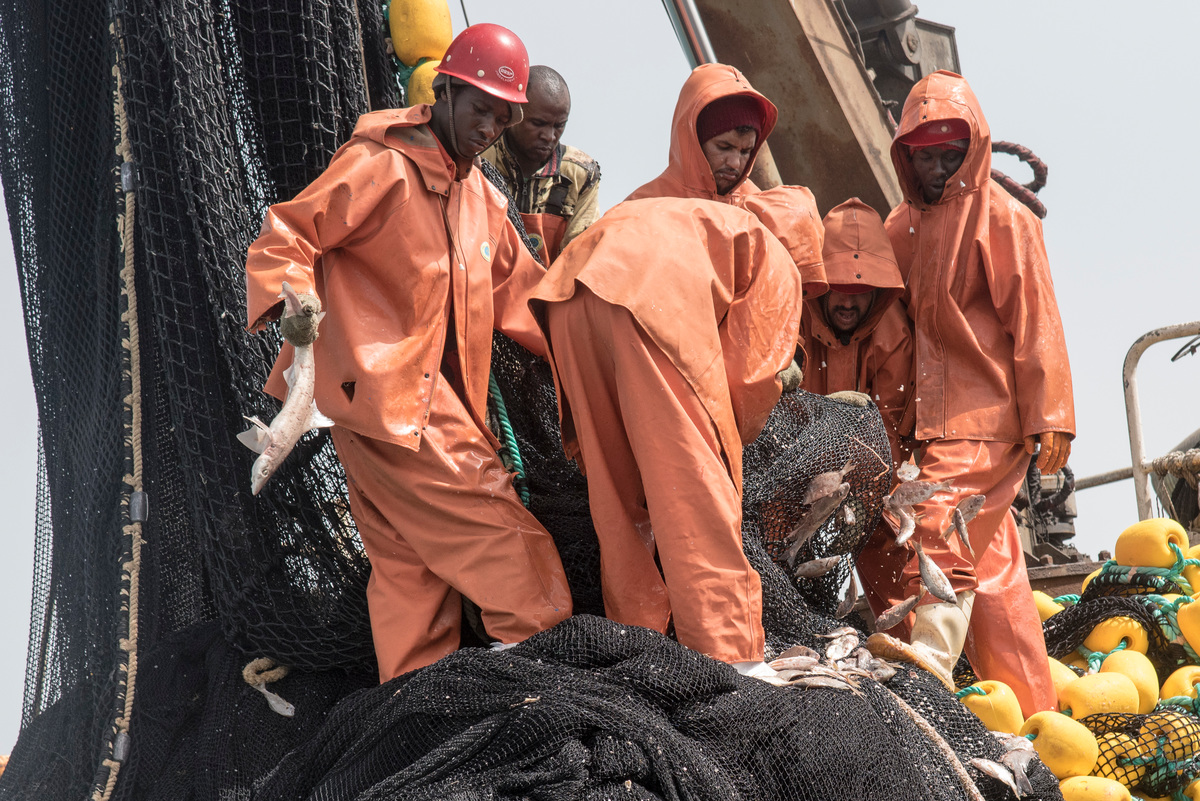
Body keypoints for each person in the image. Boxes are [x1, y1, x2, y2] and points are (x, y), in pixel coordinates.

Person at [242, 24, 572, 683]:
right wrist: (300, 314)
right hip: (388, 399)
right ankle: (535, 703)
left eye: (502, 118)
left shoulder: (481, 199)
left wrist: (603, 334)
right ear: (444, 89)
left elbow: (530, 302)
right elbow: (288, 233)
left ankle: (422, 721)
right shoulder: (383, 164)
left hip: (388, 413)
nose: (489, 128)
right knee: (515, 559)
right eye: (480, 108)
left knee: (412, 576)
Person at [530, 189, 822, 682]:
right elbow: (745, 381)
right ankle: (731, 656)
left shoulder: (703, 220)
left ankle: (634, 637)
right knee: (696, 490)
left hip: (567, 294)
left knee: (616, 491)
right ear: (805, 252)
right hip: (649, 301)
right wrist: (742, 433)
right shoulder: (774, 253)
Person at [865, 70, 1074, 717]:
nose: (936, 165)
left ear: (973, 148)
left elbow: (1035, 318)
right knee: (992, 566)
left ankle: (926, 656)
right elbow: (887, 336)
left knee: (940, 520)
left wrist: (1052, 414)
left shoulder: (1005, 218)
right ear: (905, 154)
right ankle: (1032, 710)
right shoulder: (898, 227)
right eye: (924, 154)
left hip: (989, 418)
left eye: (949, 153)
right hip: (928, 424)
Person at [798, 198, 914, 465]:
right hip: (795, 463)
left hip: (862, 468)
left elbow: (889, 432)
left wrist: (864, 493)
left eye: (859, 293)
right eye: (839, 288)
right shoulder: (793, 312)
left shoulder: (895, 335)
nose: (848, 304)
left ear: (877, 291)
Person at [482, 65, 601, 264]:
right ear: (514, 112)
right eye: (538, 124)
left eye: (559, 125)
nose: (549, 136)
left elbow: (577, 260)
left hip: (547, 292)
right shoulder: (479, 158)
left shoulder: (580, 174)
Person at [628, 63, 776, 204]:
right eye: (724, 147)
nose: (735, 163)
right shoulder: (640, 210)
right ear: (694, 140)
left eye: (745, 152)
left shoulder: (764, 212)